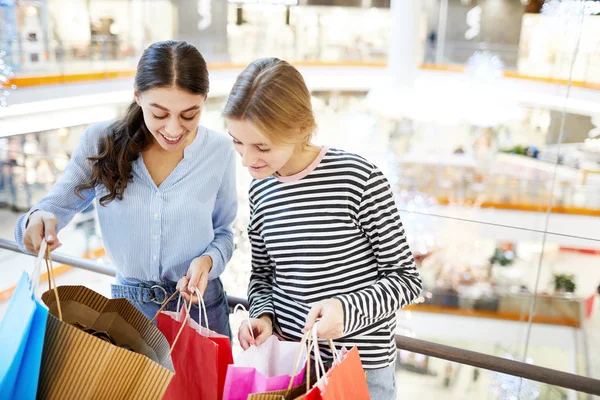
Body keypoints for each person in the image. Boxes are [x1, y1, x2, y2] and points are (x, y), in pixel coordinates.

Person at [225, 58, 422, 400]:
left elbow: (406, 280)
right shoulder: (260, 190)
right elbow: (264, 275)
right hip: (291, 365)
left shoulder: (359, 180)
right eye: (237, 142)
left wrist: (345, 310)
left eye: (261, 147)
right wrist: (264, 316)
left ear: (301, 129)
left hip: (360, 370)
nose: (246, 160)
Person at [15, 40, 237, 338]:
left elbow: (223, 232)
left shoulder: (219, 150)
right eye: (159, 114)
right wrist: (36, 220)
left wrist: (208, 261)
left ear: (204, 101)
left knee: (207, 387)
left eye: (189, 115)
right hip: (129, 312)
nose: (173, 130)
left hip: (200, 308)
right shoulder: (100, 141)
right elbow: (52, 208)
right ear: (137, 95)